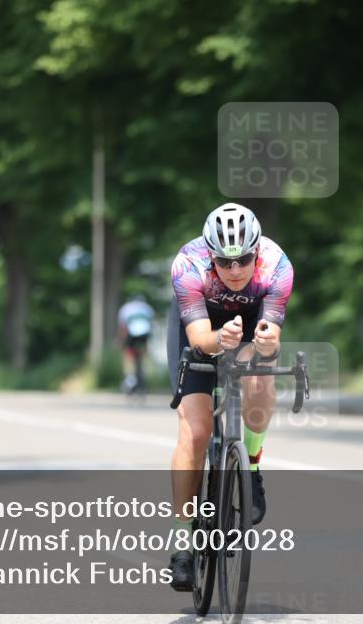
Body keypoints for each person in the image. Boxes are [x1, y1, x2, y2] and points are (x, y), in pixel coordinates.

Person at [166, 202, 294, 591]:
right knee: (196, 431)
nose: (235, 270)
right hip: (201, 326)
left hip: (252, 321)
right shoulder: (188, 266)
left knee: (260, 380)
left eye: (244, 260)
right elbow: (199, 339)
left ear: (257, 252)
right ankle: (182, 542)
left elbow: (269, 342)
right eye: (224, 262)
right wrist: (219, 340)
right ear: (210, 255)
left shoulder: (277, 266)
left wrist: (267, 344)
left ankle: (251, 467)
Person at [117, 295, 155, 395]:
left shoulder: (125, 308)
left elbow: (123, 328)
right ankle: (144, 371)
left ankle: (130, 379)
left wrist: (121, 342)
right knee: (144, 351)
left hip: (132, 333)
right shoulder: (147, 307)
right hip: (145, 332)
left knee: (128, 354)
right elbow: (151, 325)